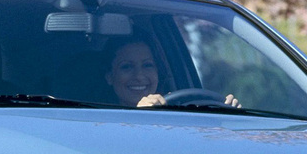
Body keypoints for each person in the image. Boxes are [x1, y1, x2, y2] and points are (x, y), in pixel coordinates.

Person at [103, 37, 241, 108]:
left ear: (158, 71)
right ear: (109, 76)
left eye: (147, 65)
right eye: (127, 67)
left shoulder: (180, 111)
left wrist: (225, 119)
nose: (139, 76)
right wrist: (138, 117)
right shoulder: (99, 121)